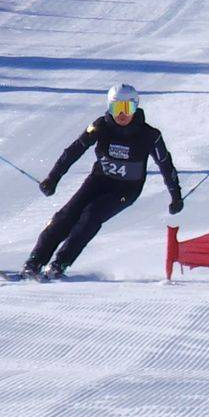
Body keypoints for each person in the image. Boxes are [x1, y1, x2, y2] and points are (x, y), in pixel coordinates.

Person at [23, 84, 181, 279]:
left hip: (126, 190)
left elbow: (166, 165)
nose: (122, 114)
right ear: (109, 107)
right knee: (65, 216)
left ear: (136, 107)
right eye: (117, 108)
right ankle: (34, 262)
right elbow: (73, 151)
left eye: (127, 108)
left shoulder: (150, 135)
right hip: (99, 180)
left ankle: (60, 263)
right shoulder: (100, 126)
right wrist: (52, 178)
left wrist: (176, 196)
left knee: (91, 215)